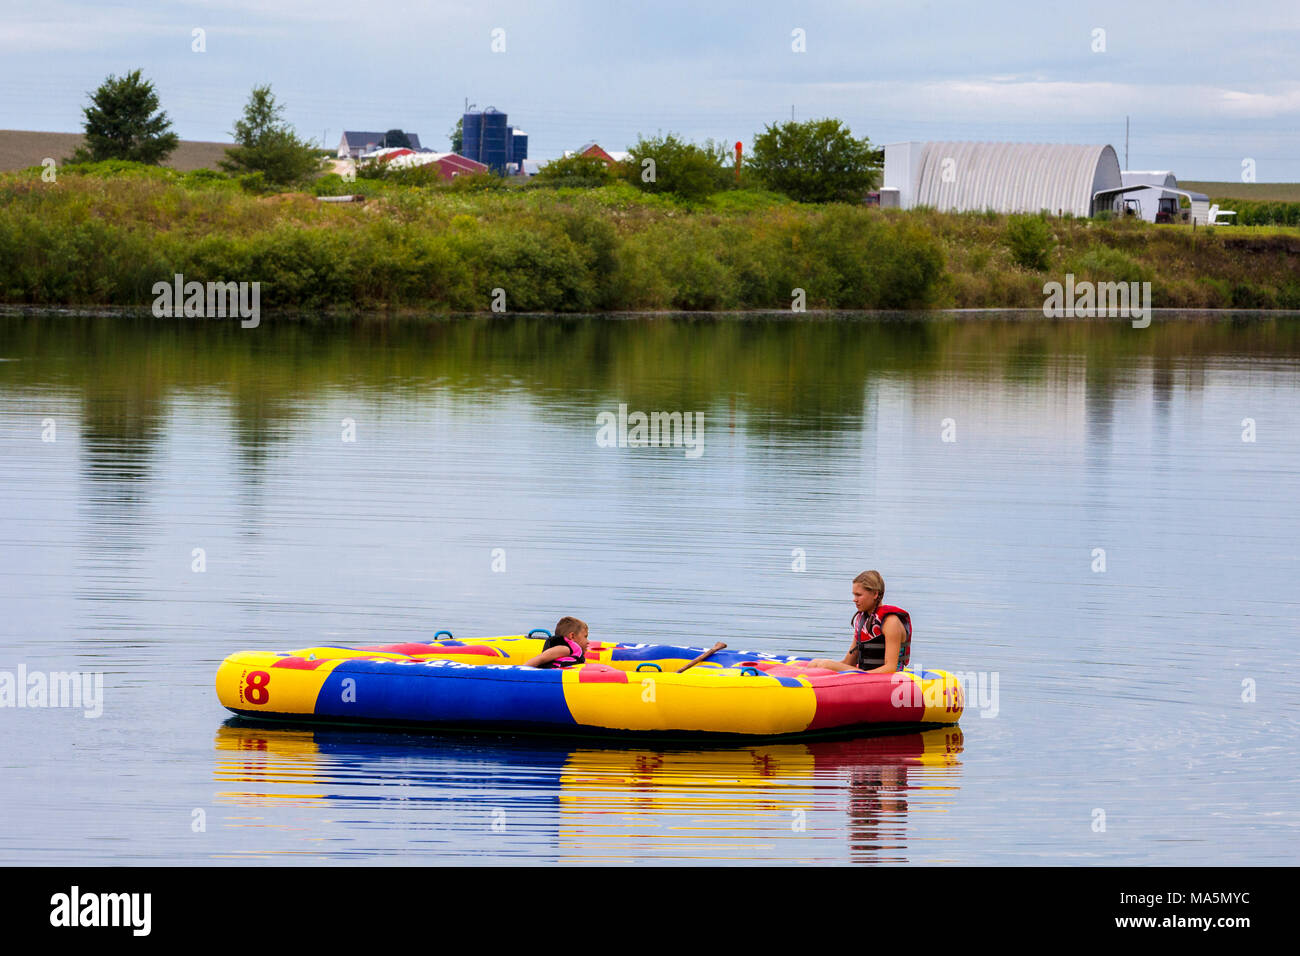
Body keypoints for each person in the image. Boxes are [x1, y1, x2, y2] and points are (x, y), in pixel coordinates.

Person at [809, 570, 912, 674]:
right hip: (862, 676)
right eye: (854, 595)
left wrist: (861, 675)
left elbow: (890, 668)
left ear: (875, 594)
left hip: (883, 680)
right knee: (815, 663)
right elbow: (849, 662)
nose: (854, 599)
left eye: (858, 595)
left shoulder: (890, 622)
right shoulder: (862, 619)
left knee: (824, 664)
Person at [524, 617, 590, 668]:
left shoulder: (574, 652)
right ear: (572, 636)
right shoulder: (564, 649)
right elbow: (540, 658)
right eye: (585, 637)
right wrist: (519, 671)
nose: (588, 641)